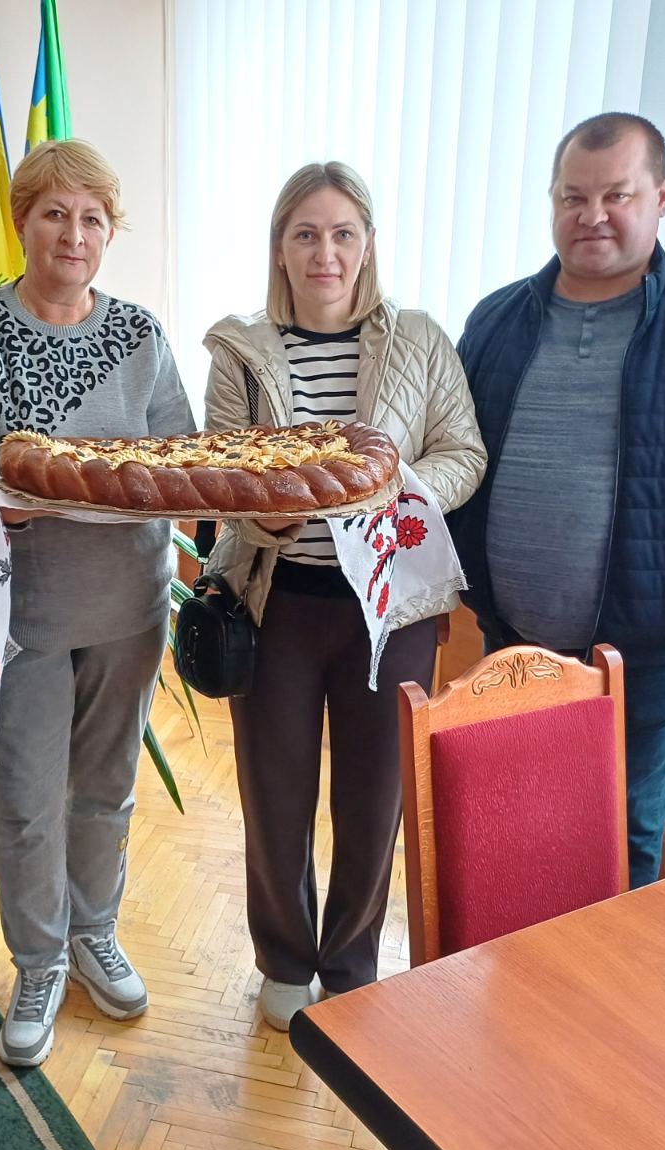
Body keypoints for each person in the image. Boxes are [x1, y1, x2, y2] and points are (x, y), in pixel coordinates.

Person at [452, 112, 665, 888]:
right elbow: (455, 459)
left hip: (641, 649)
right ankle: (514, 966)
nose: (593, 215)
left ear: (662, 195)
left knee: (617, 836)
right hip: (511, 637)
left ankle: (602, 971)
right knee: (509, 824)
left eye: (617, 194)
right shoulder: (497, 318)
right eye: (573, 197)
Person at [0, 139, 195, 1068]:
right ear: (22, 221)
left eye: (92, 219)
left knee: (107, 788)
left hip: (129, 605)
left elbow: (178, 456)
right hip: (18, 614)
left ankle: (93, 934)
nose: (74, 234)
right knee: (28, 802)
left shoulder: (140, 335)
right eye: (54, 214)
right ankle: (38, 964)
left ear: (110, 233)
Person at [203, 162, 486, 1030]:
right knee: (275, 796)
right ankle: (285, 961)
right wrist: (264, 520)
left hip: (391, 611)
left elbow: (464, 452)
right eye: (306, 234)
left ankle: (352, 962)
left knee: (375, 797)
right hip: (276, 604)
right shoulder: (240, 349)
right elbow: (220, 471)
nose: (324, 253)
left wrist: (397, 491)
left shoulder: (423, 340)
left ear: (366, 245)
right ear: (280, 249)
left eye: (342, 234)